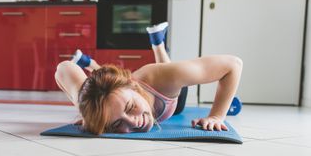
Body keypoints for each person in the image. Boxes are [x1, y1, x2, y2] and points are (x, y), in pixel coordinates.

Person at [54, 22, 242, 134]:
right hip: (129, 88)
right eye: (117, 123)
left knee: (169, 74)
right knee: (102, 90)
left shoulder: (162, 78)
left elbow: (233, 65)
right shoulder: (99, 106)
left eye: (130, 107)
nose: (133, 122)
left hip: (167, 95)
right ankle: (156, 39)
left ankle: (158, 45)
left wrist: (217, 116)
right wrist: (88, 111)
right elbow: (62, 68)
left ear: (134, 87)